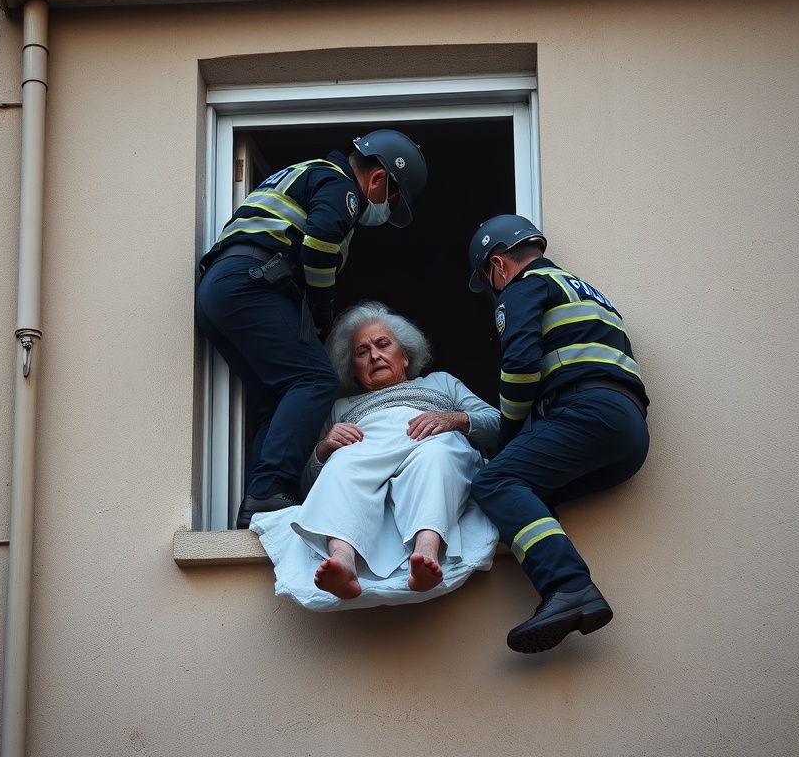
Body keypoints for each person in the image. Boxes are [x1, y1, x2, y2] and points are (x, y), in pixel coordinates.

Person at [195, 130, 427, 528]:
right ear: (377, 179)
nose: (385, 208)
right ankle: (270, 490)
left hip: (221, 288)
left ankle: (261, 504)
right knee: (315, 380)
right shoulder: (340, 186)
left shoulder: (307, 172)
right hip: (253, 282)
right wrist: (322, 314)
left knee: (276, 398)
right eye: (390, 197)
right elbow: (319, 244)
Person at [466, 214, 650, 653]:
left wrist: (505, 440)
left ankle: (569, 588)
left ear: (499, 266)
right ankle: (565, 591)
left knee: (496, 479)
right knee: (532, 494)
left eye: (491, 281)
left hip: (587, 412)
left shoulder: (525, 287)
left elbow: (522, 364)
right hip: (629, 433)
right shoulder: (590, 294)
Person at [249, 301, 500, 611]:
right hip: (367, 457)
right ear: (353, 369)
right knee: (341, 464)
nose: (374, 356)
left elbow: (498, 425)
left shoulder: (441, 382)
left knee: (438, 452)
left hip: (428, 445)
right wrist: (324, 448)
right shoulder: (341, 408)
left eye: (383, 344)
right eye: (361, 352)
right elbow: (310, 486)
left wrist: (455, 419)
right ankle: (342, 562)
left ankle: (426, 554)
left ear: (405, 355)